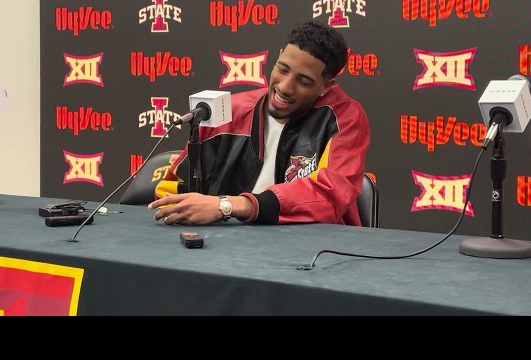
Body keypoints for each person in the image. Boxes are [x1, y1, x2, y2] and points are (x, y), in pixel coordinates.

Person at [149, 19, 371, 226]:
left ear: (326, 85)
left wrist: (229, 206)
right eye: (282, 69)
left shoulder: (344, 118)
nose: (285, 87)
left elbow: (328, 196)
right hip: (224, 247)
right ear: (278, 56)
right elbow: (172, 191)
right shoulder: (232, 111)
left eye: (304, 81)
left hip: (311, 250)